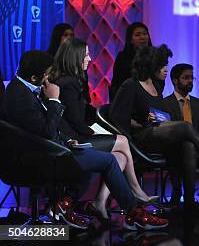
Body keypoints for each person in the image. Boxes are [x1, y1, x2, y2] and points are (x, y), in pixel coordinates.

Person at [2, 50, 167, 230]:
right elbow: (47, 132)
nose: (49, 77)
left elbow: (44, 129)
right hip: (36, 158)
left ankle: (66, 204)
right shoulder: (20, 96)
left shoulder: (23, 88)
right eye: (47, 74)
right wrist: (54, 100)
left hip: (49, 149)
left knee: (97, 155)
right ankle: (134, 213)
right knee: (109, 160)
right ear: (35, 77)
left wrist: (67, 141)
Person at [110, 45, 199, 209]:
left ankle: (188, 201)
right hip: (141, 137)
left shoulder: (157, 85)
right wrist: (140, 123)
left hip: (158, 133)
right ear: (151, 65)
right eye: (162, 65)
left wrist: (151, 117)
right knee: (186, 128)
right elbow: (117, 117)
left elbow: (152, 113)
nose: (166, 69)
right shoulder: (130, 84)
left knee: (189, 144)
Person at [50, 37, 157, 221]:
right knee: (122, 141)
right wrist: (95, 132)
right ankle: (136, 191)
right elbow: (76, 121)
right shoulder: (68, 83)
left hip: (76, 135)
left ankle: (100, 201)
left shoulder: (69, 81)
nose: (90, 59)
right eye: (86, 55)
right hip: (73, 140)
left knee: (119, 156)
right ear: (74, 57)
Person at [162, 63, 199, 205]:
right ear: (175, 80)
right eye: (185, 78)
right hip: (175, 148)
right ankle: (179, 191)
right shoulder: (164, 104)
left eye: (191, 78)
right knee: (186, 146)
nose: (189, 81)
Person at [109, 22, 152, 101]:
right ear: (131, 40)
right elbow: (116, 83)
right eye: (137, 35)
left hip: (151, 100)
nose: (142, 37)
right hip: (127, 100)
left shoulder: (155, 56)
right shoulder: (123, 57)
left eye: (145, 34)